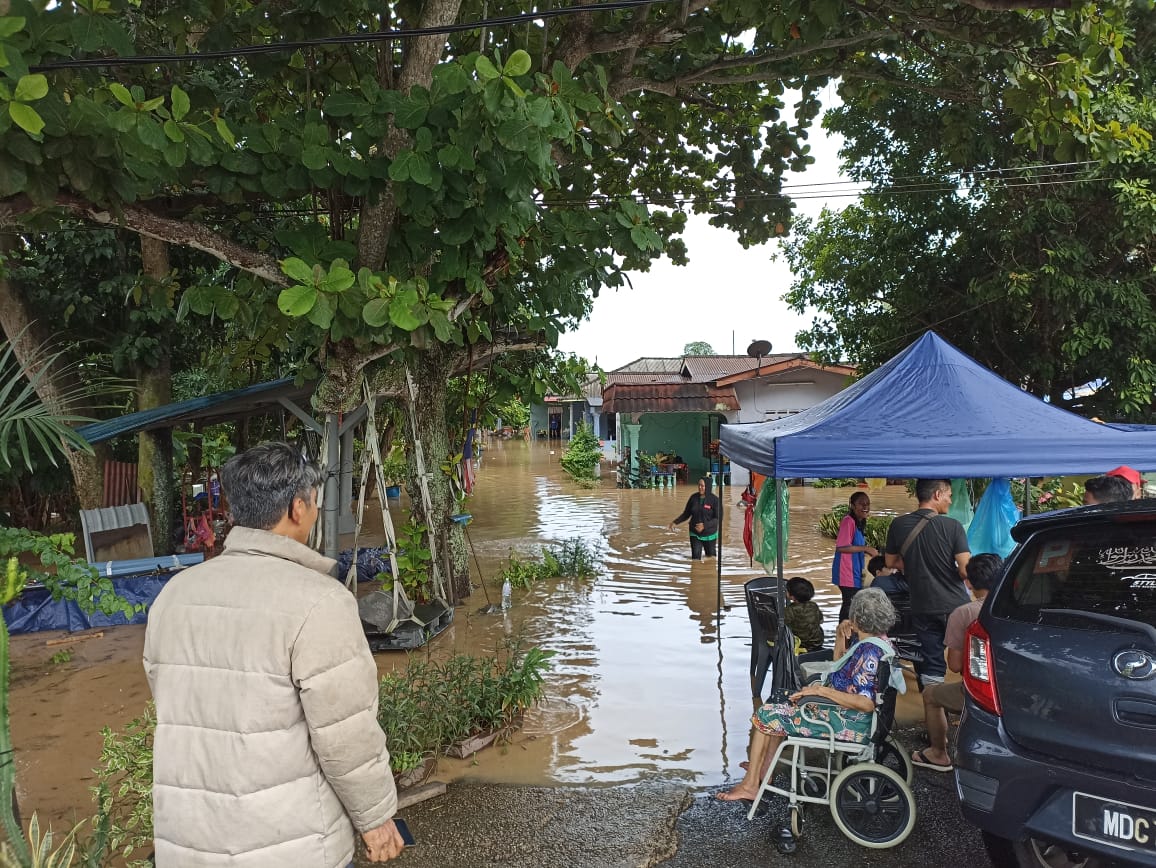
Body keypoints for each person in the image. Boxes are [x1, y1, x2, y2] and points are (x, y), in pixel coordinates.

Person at [144, 443, 405, 867]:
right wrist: (375, 819)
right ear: (297, 508)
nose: (315, 513)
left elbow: (172, 701)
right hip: (292, 846)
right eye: (314, 503)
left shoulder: (174, 596)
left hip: (188, 842)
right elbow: (344, 732)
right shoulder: (320, 602)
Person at [717, 588, 901, 802]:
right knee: (780, 698)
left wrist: (819, 690)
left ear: (857, 617)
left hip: (847, 721)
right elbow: (837, 666)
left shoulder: (868, 652)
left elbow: (865, 703)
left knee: (765, 715)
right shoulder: (878, 642)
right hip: (851, 715)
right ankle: (763, 768)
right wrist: (841, 635)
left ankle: (750, 785)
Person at [912, 553, 1004, 772]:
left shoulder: (963, 613)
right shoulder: (1014, 609)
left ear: (968, 583)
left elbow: (954, 665)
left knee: (930, 695)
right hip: (1012, 689)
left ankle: (938, 753)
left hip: (980, 692)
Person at [885, 479, 971, 690]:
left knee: (932, 664)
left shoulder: (898, 525)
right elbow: (965, 570)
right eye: (949, 495)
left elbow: (890, 562)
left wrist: (917, 563)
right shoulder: (952, 526)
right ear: (937, 495)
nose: (950, 501)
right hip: (956, 606)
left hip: (923, 605)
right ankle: (968, 708)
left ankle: (933, 711)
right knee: (967, 660)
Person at [832, 492, 878, 622]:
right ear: (852, 506)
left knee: (852, 605)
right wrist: (866, 549)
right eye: (861, 504)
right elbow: (842, 547)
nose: (866, 507)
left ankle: (849, 636)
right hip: (846, 572)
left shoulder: (858, 522)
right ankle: (844, 637)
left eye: (867, 504)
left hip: (855, 571)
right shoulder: (848, 521)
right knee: (849, 606)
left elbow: (854, 546)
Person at [669, 476, 722, 560]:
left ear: (707, 487)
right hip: (694, 533)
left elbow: (718, 519)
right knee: (695, 559)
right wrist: (675, 522)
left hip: (710, 534)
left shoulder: (715, 500)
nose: (700, 487)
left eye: (702, 486)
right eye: (699, 485)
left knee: (711, 558)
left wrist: (705, 525)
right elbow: (686, 513)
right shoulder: (693, 498)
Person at [784, 577, 825, 653]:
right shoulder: (814, 605)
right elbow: (821, 620)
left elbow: (783, 624)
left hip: (801, 644)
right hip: (818, 642)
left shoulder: (790, 609)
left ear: (792, 596)